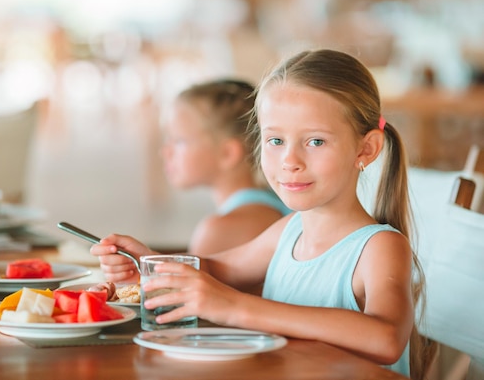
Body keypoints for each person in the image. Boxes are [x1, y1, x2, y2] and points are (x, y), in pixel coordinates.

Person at [91, 49, 431, 379]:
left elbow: (385, 339)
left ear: (366, 149)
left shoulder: (379, 247)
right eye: (275, 141)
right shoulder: (289, 230)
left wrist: (235, 307)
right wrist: (150, 266)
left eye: (315, 142)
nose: (290, 160)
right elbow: (221, 268)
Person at [160, 78, 290, 256]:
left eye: (179, 141)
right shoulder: (273, 203)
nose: (165, 151)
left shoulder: (220, 231)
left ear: (227, 153)